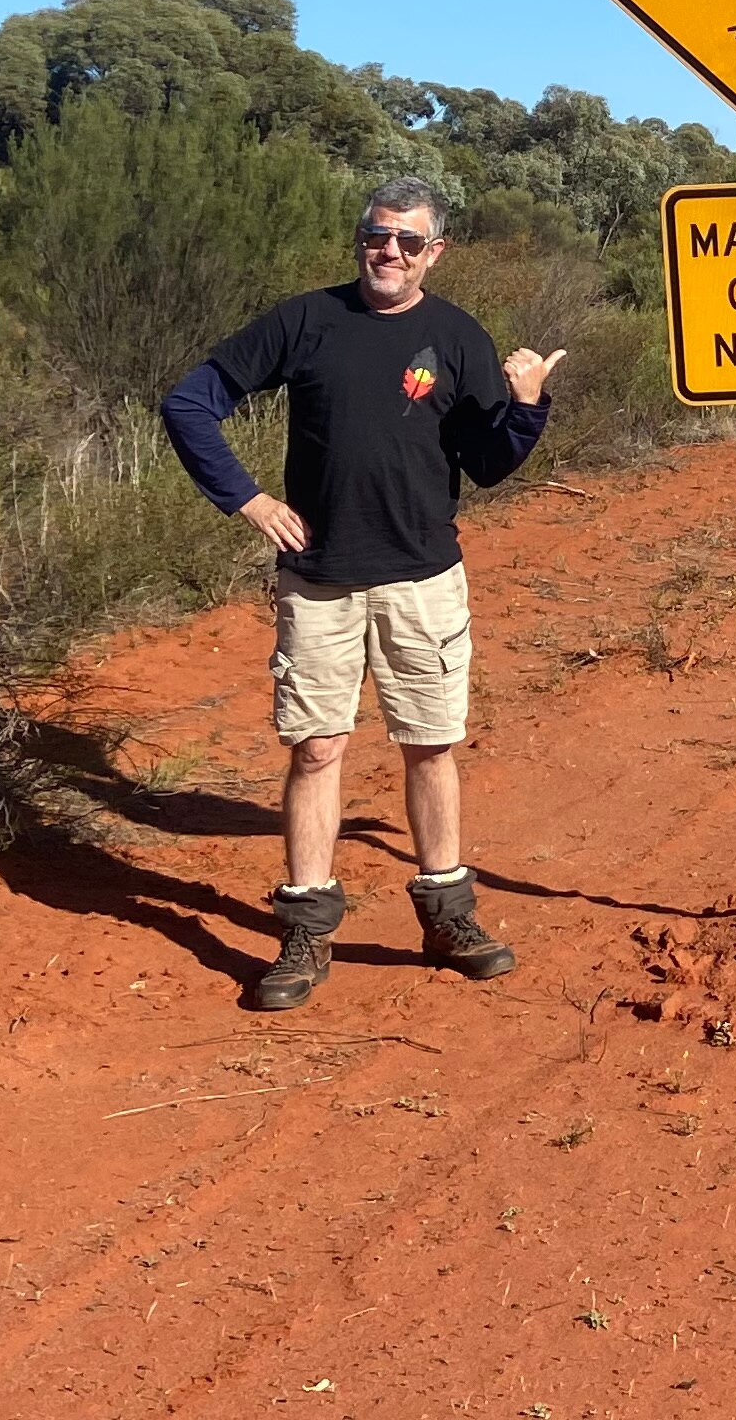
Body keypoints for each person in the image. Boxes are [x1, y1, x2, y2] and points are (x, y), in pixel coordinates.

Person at [160, 176, 565, 1012]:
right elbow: (190, 403)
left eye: (409, 242)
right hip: (319, 583)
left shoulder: (455, 336)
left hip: (424, 579)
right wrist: (249, 500)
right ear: (361, 240)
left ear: (435, 252)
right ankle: (307, 929)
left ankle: (449, 916)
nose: (389, 253)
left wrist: (525, 408)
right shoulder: (306, 321)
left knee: (430, 744)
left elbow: (487, 463)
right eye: (377, 237)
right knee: (315, 749)